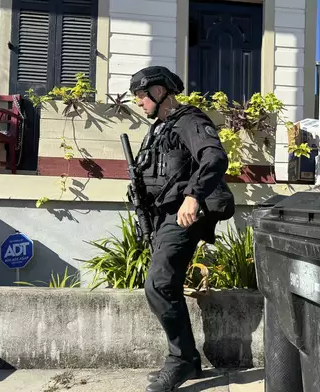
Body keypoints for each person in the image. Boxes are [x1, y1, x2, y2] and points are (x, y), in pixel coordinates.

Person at [128, 65, 235, 392]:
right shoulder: (160, 128)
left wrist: (193, 196)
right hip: (163, 218)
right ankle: (187, 358)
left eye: (142, 96)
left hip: (182, 215)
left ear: (159, 92)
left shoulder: (189, 121)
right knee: (166, 286)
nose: (139, 103)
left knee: (158, 286)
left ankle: (181, 360)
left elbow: (215, 158)